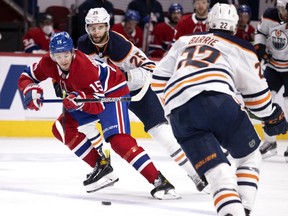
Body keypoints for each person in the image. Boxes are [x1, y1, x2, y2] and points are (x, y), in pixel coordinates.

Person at [151, 3, 288, 215]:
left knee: (218, 174)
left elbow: (158, 81)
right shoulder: (240, 46)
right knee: (250, 156)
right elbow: (258, 98)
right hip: (218, 101)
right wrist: (272, 116)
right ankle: (245, 208)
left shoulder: (184, 41)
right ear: (234, 27)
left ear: (209, 22)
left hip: (179, 113)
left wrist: (174, 107)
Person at [18, 31, 180, 200]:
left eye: (66, 54)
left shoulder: (84, 68)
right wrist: (30, 90)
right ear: (52, 56)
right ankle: (102, 167)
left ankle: (160, 182)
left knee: (119, 141)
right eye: (58, 56)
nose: (63, 60)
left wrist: (79, 102)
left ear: (72, 51)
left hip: (112, 92)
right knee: (61, 128)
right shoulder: (47, 63)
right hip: (87, 95)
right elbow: (26, 76)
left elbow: (98, 106)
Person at [76, 7, 208, 192]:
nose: (96, 32)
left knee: (161, 132)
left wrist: (126, 76)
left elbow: (149, 69)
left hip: (137, 90)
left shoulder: (120, 46)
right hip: (109, 95)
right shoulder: (83, 45)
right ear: (86, 28)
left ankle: (196, 173)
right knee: (86, 123)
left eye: (99, 27)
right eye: (92, 28)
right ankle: (104, 166)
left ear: (107, 26)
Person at [254, 0, 288, 162]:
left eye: (285, 9)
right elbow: (260, 32)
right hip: (273, 66)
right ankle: (270, 141)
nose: (283, 12)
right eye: (280, 9)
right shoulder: (269, 16)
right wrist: (259, 46)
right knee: (265, 102)